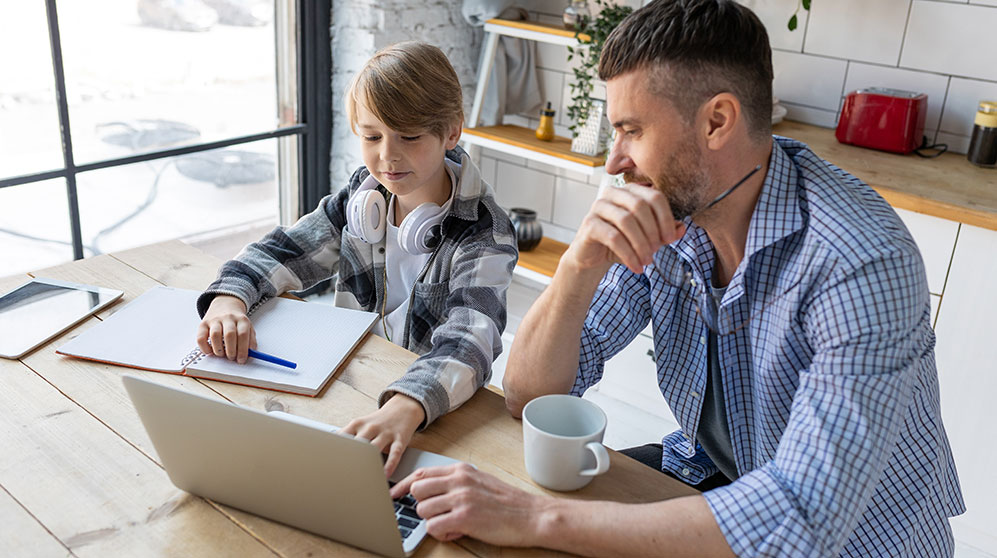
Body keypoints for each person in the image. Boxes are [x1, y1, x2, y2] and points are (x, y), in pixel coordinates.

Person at [389, 1, 965, 556]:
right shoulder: (674, 214)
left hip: (852, 540)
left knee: (532, 520)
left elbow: (801, 518)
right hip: (710, 471)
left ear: (717, 121)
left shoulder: (860, 261)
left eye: (631, 130)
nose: (614, 162)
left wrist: (535, 519)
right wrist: (577, 267)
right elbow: (530, 395)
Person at [195, 41, 518, 478]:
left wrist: (404, 408)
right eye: (371, 136)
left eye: (409, 136)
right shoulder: (362, 197)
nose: (387, 155)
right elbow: (283, 250)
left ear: (452, 132)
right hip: (349, 387)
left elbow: (471, 340)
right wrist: (228, 301)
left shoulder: (484, 231)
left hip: (423, 413)